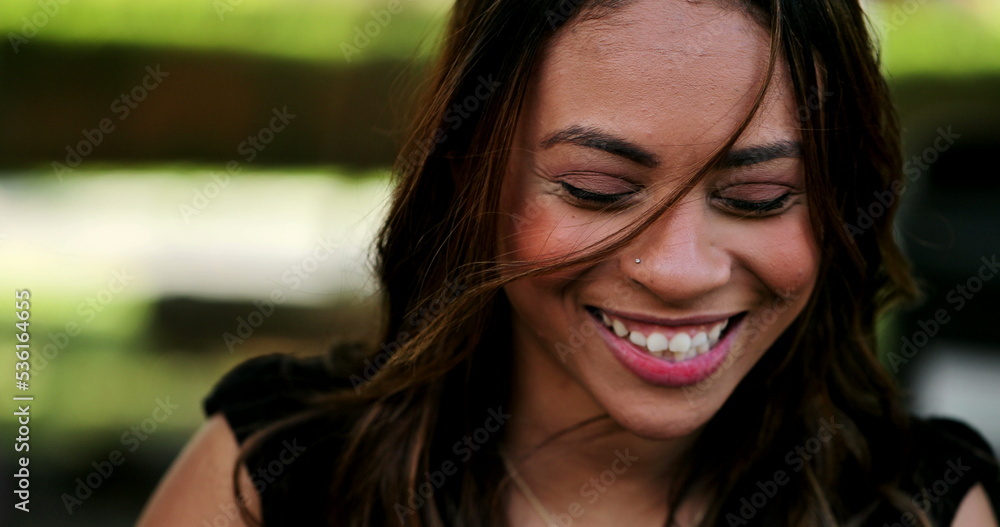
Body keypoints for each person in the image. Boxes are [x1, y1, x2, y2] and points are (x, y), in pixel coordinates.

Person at [137, 0, 1000, 525]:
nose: (677, 267)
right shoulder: (279, 473)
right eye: (596, 188)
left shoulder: (921, 504)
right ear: (474, 178)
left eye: (758, 196)